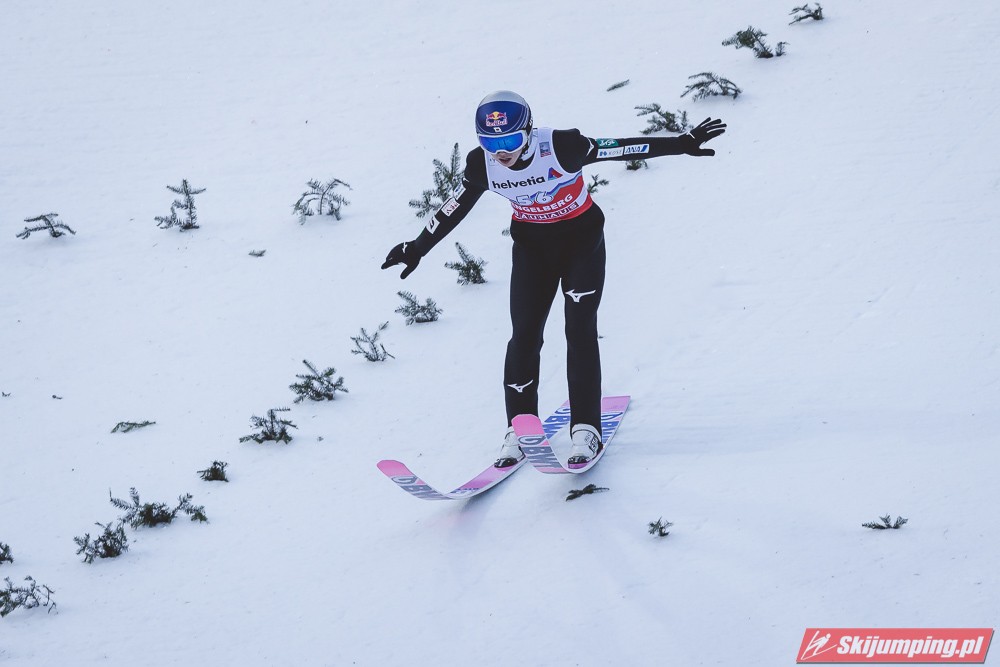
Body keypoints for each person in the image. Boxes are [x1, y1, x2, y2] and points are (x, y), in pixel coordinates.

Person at [382, 90, 726, 469]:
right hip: (533, 250)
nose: (501, 152)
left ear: (529, 131)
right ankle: (520, 428)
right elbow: (455, 207)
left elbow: (620, 148)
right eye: (491, 143)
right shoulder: (483, 165)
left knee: (578, 330)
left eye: (510, 140)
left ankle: (586, 427)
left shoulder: (562, 147)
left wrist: (680, 144)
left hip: (582, 244)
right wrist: (416, 247)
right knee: (524, 336)